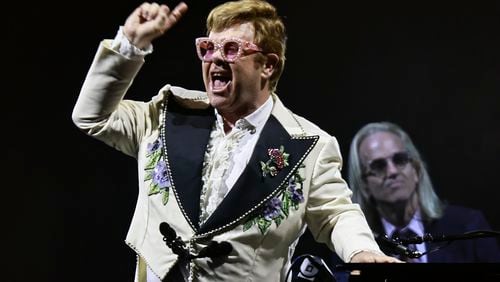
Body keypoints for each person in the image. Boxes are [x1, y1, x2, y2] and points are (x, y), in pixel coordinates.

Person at [72, 1, 399, 281]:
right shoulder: (165, 116)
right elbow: (92, 117)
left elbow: (335, 214)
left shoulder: (308, 146)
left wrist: (362, 251)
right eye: (208, 48)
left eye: (231, 49)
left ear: (267, 65)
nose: (215, 59)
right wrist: (129, 45)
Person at [347, 121, 500, 262]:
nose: (392, 171)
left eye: (400, 159)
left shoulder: (469, 228)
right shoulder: (356, 247)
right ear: (364, 185)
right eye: (378, 166)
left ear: (416, 169)